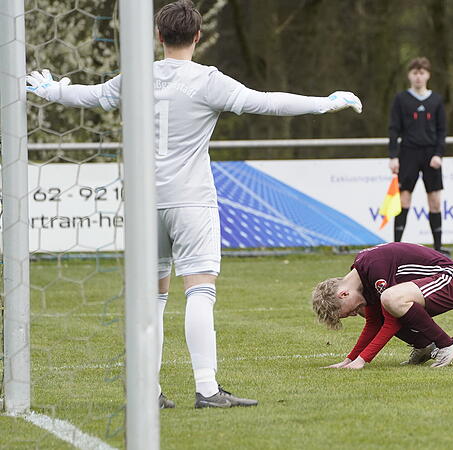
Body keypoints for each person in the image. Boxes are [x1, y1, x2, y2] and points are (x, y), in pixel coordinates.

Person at [25, 0, 362, 408]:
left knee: (153, 298)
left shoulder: (137, 75)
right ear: (198, 36)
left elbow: (92, 97)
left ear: (159, 36)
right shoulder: (208, 80)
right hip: (190, 201)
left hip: (144, 202)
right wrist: (324, 102)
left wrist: (51, 90)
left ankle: (148, 392)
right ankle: (206, 389)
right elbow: (268, 101)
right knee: (200, 292)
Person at [312, 242, 453, 369]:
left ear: (344, 294)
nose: (352, 314)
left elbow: (392, 322)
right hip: (432, 284)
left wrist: (362, 361)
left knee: (391, 299)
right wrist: (349, 360)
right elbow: (374, 322)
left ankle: (447, 345)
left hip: (452, 281)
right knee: (379, 306)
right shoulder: (362, 275)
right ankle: (424, 346)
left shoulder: (374, 268)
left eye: (346, 313)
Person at [388, 57, 448, 254]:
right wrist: (393, 156)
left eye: (422, 72)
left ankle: (438, 248)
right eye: (415, 73)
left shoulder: (436, 100)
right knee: (404, 199)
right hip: (408, 153)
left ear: (428, 75)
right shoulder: (401, 99)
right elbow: (394, 129)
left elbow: (442, 130)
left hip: (431, 154)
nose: (418, 77)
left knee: (435, 201)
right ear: (409, 75)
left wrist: (439, 154)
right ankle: (396, 247)